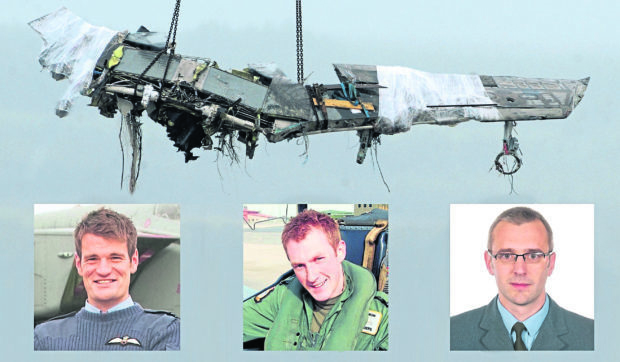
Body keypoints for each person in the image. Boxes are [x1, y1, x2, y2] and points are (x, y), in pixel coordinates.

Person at [34, 208, 180, 351]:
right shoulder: (45, 338)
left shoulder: (165, 332)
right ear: (79, 264)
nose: (103, 270)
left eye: (115, 258)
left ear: (133, 261)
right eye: (92, 259)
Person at [450, 206, 593, 351]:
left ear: (551, 263)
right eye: (506, 256)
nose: (519, 270)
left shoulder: (592, 337)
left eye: (533, 256)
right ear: (489, 263)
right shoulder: (451, 335)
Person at [243, 209, 388, 350]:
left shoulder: (383, 317)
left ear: (340, 251)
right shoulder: (282, 297)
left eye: (318, 259)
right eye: (299, 265)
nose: (311, 277)